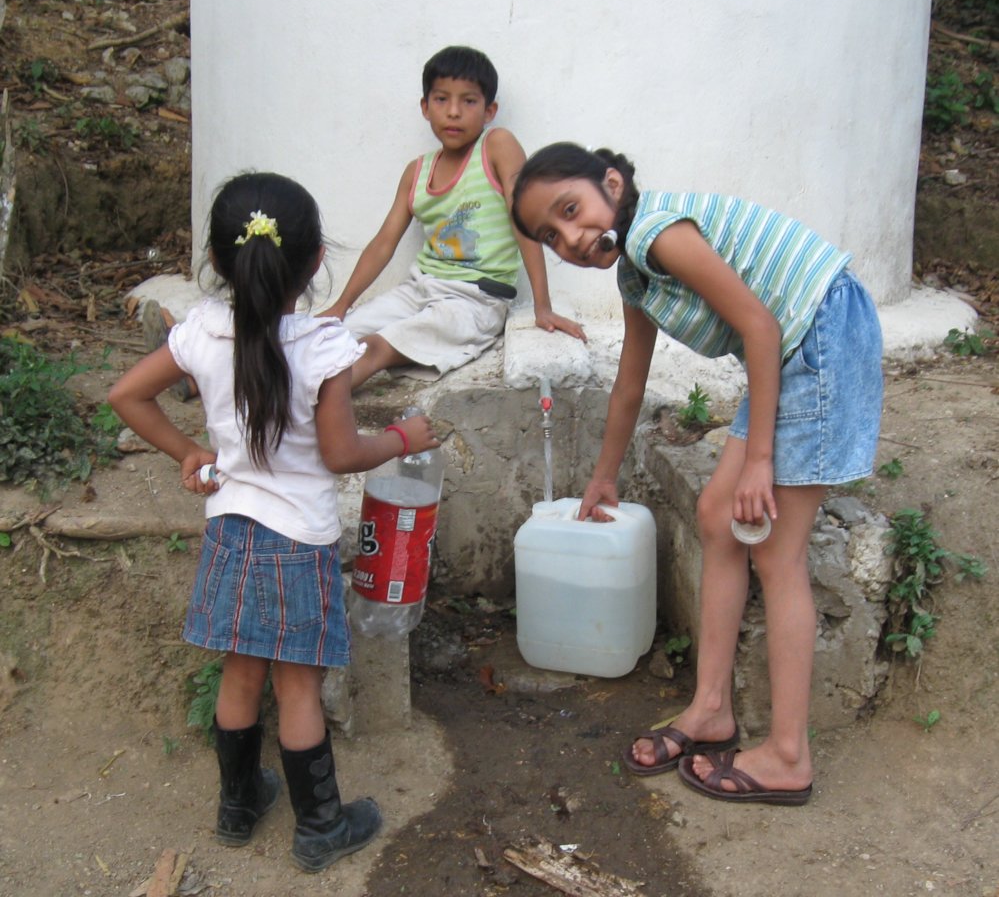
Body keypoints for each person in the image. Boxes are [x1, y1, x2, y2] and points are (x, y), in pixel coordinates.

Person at [511, 143, 883, 807]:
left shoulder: (658, 233)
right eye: (550, 235)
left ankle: (788, 756)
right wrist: (603, 476)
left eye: (570, 210)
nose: (569, 237)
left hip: (817, 338)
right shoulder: (634, 275)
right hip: (791, 347)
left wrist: (760, 459)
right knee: (717, 517)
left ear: (612, 182)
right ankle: (711, 708)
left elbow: (760, 327)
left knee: (775, 549)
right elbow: (630, 381)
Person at [109, 172, 439, 871]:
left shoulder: (201, 330)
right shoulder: (322, 348)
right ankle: (320, 825)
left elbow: (126, 394)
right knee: (297, 686)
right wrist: (407, 437)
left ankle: (237, 807)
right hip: (299, 542)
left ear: (217, 260)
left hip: (231, 531)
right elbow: (344, 453)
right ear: (317, 260)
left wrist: (188, 450)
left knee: (240, 675)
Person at [319, 45, 585, 388]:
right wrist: (341, 305)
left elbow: (526, 222)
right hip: (419, 290)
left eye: (469, 101)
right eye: (442, 99)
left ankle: (308, 414)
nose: (454, 112)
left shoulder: (497, 147)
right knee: (335, 337)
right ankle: (284, 402)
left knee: (374, 349)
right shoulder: (416, 172)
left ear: (490, 110)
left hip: (475, 301)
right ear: (425, 107)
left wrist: (542, 306)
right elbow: (384, 243)